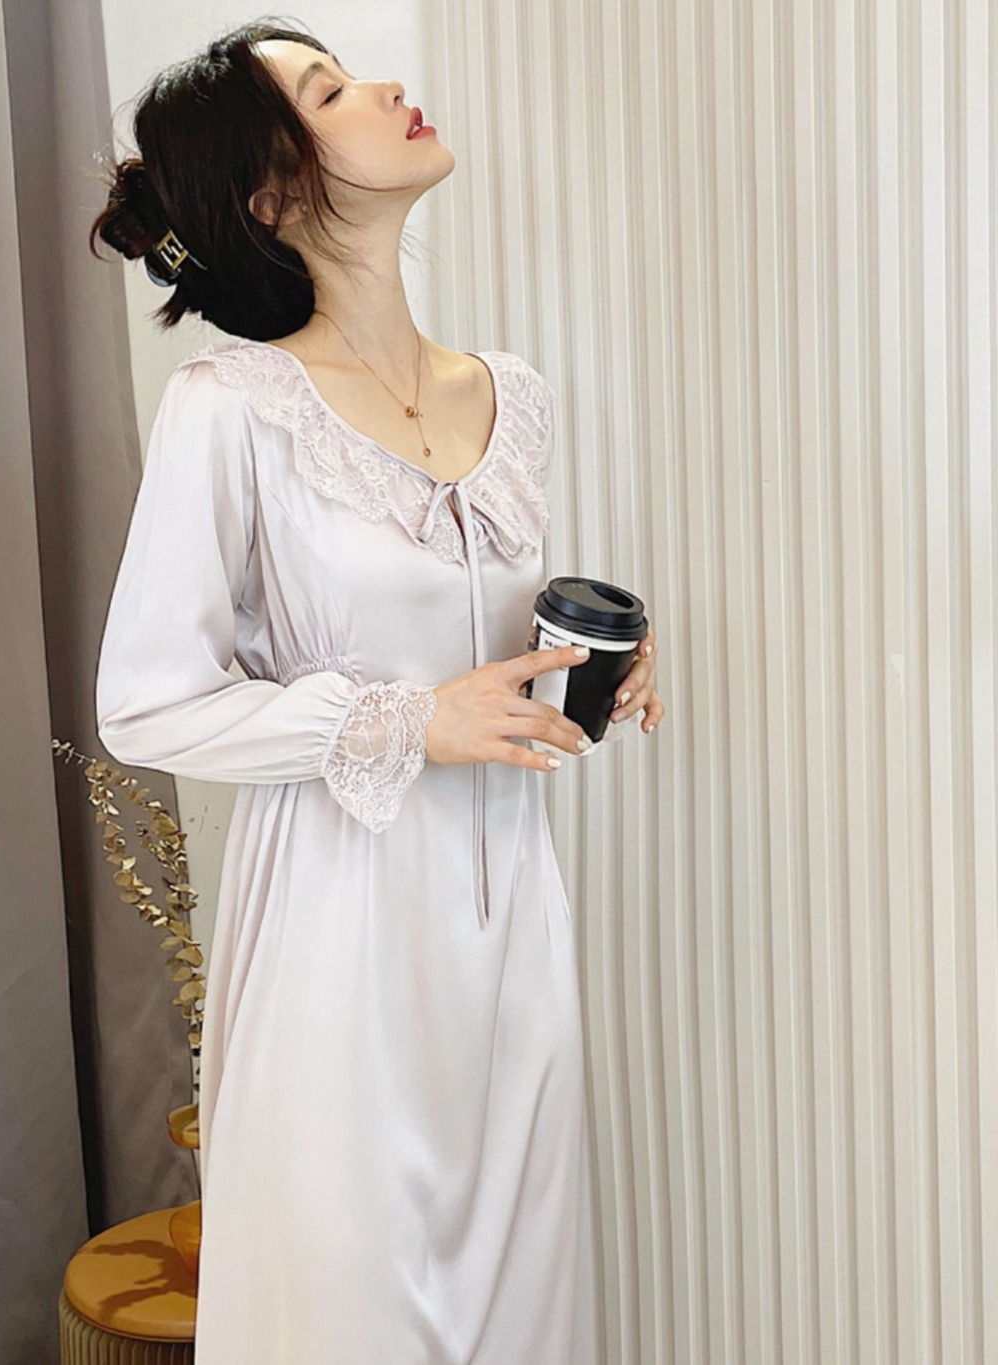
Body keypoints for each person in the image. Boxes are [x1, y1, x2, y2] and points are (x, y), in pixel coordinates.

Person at [89, 17, 664, 1364]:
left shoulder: (510, 395)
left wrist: (594, 656)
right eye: (332, 91)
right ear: (273, 193)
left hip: (511, 928)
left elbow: (463, 625)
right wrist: (410, 719)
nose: (388, 88)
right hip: (339, 940)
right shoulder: (231, 407)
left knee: (523, 1312)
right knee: (349, 1313)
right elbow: (145, 703)